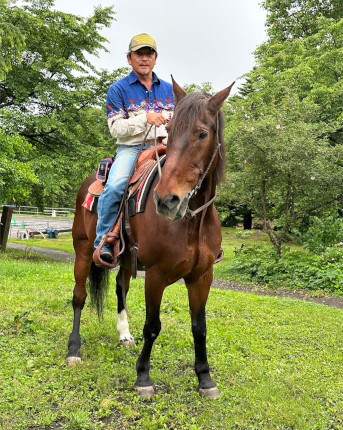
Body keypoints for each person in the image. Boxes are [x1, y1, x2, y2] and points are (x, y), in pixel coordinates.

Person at [95, 33, 175, 263]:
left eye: (149, 53)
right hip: (132, 149)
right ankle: (103, 241)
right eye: (139, 54)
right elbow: (116, 129)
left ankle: (204, 240)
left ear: (155, 59)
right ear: (129, 59)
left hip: (166, 147)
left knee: (194, 177)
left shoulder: (170, 90)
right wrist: (145, 118)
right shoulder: (118, 90)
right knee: (115, 185)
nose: (144, 58)